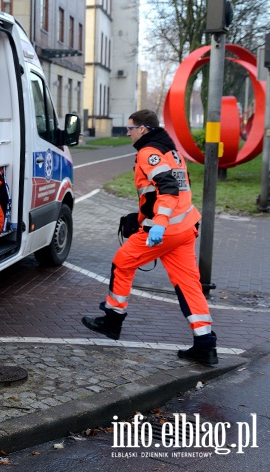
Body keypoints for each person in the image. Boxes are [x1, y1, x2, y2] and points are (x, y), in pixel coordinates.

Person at [81, 109, 217, 365]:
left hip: (164, 231)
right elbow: (161, 191)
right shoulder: (171, 151)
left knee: (122, 264)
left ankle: (112, 319)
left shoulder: (148, 153)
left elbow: (168, 188)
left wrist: (157, 224)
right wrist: (143, 216)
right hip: (185, 228)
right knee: (189, 286)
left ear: (142, 129)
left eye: (129, 128)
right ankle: (205, 343)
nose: (127, 132)